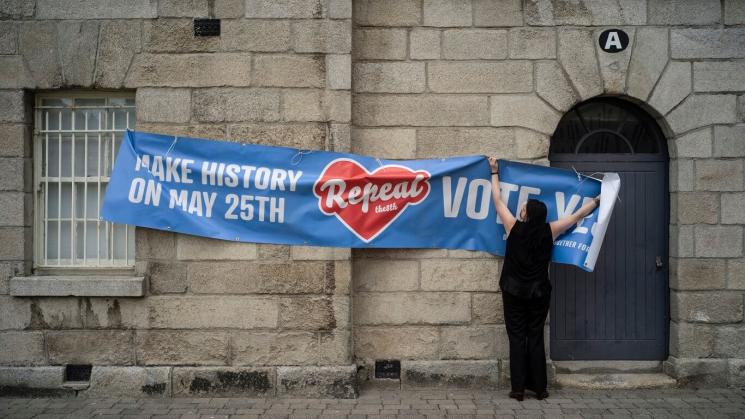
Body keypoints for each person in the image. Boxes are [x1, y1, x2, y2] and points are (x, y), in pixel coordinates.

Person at [488, 157, 600, 401]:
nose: (521, 208)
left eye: (524, 207)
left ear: (526, 214)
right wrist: (598, 200)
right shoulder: (550, 230)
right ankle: (540, 389)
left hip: (513, 292)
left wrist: (494, 172)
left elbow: (497, 201)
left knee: (516, 337)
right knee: (535, 336)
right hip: (539, 293)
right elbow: (577, 216)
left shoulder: (513, 227)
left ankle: (518, 389)